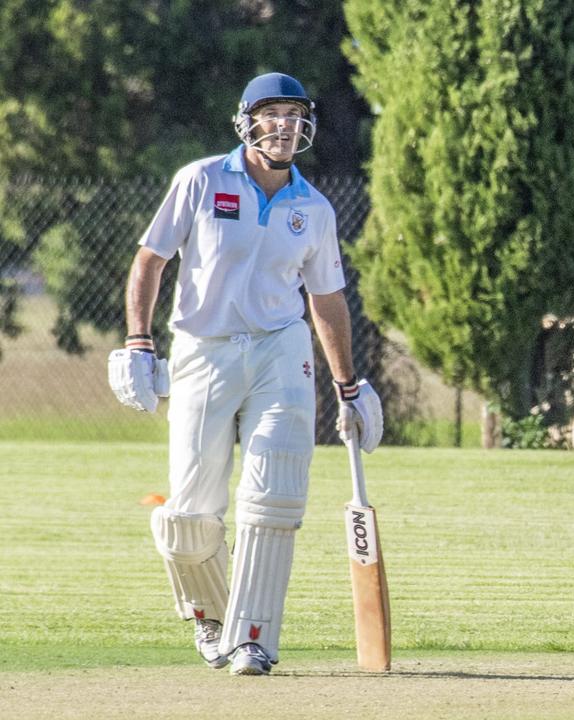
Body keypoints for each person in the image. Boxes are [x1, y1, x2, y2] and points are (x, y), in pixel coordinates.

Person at [108, 72, 384, 676]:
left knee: (275, 492)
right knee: (188, 510)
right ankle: (212, 619)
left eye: (293, 114)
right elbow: (150, 259)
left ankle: (254, 637)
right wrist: (137, 342)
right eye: (271, 113)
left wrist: (348, 385)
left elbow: (327, 298)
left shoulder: (312, 207)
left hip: (281, 351)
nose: (284, 125)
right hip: (202, 351)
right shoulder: (201, 180)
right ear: (247, 121)